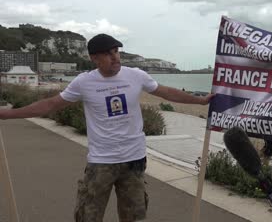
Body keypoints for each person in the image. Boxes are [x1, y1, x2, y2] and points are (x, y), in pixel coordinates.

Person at [0, 33, 214, 222]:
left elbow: (166, 92)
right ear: (94, 58)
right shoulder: (83, 82)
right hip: (102, 161)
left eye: (116, 51)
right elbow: (50, 104)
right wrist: (9, 114)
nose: (115, 57)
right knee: (88, 216)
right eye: (108, 53)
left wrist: (201, 101)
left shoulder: (136, 75)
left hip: (134, 160)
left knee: (133, 216)